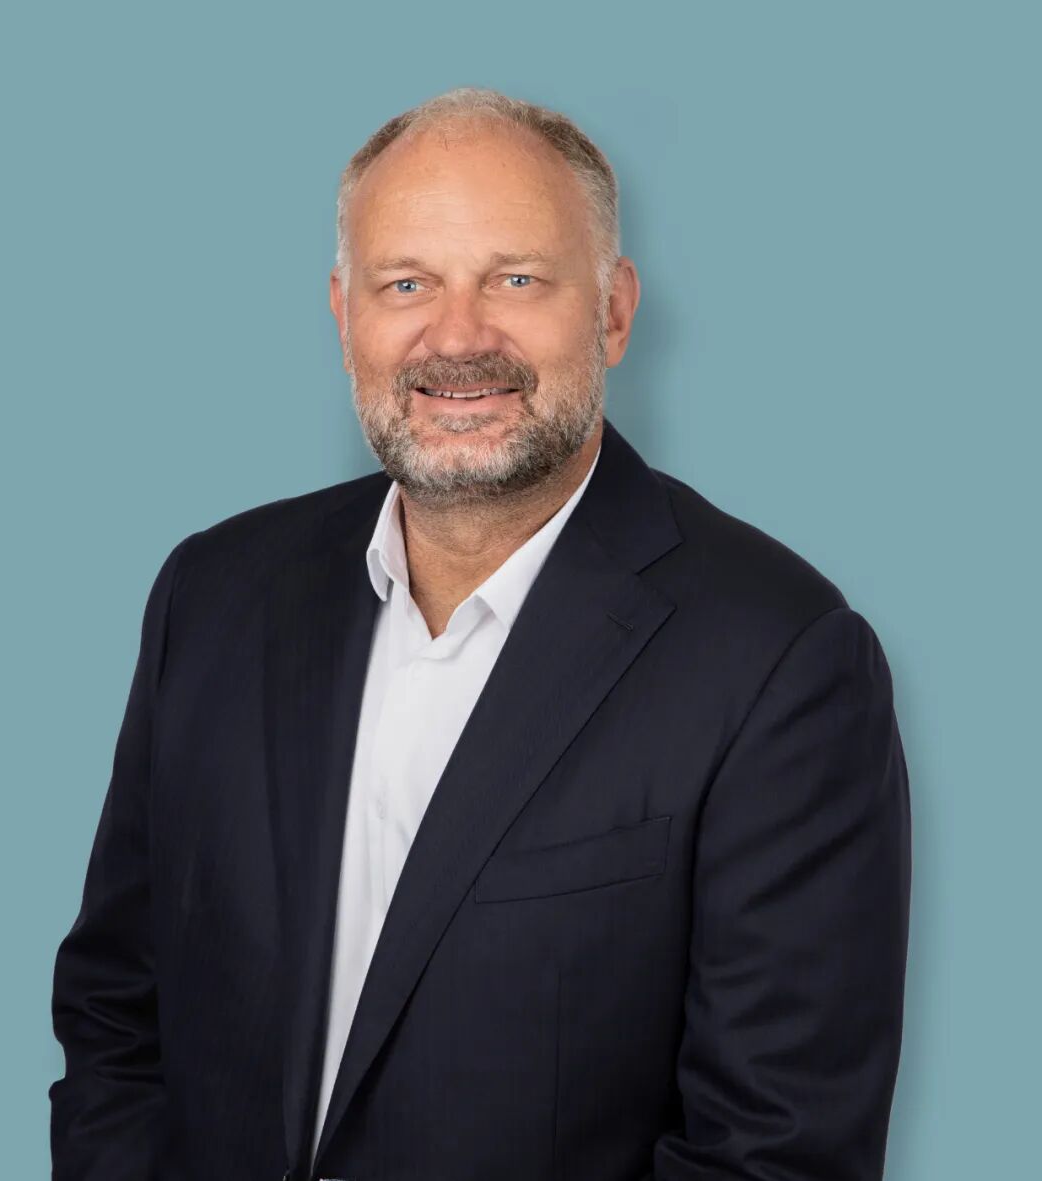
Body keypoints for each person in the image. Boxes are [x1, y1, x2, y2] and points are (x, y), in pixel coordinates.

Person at [49, 87, 911, 1181]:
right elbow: (117, 1016)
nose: (458, 337)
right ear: (343, 313)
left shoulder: (782, 662)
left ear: (614, 312)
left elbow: (775, 1155)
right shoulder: (211, 595)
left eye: (517, 279)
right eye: (406, 283)